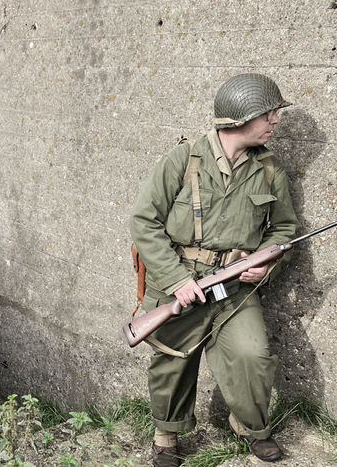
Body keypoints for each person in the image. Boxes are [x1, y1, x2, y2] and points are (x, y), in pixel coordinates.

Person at [129, 73, 299, 466]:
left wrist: (268, 265)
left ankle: (251, 428)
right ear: (243, 118)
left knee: (253, 356)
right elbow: (144, 221)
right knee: (172, 359)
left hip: (236, 289)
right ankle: (166, 436)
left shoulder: (270, 167)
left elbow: (285, 229)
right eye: (271, 114)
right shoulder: (184, 159)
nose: (276, 121)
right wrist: (176, 280)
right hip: (180, 284)